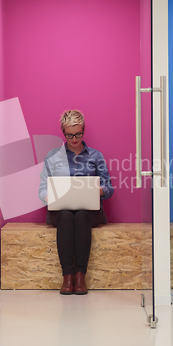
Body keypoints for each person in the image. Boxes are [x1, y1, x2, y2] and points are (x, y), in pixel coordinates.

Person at [39, 110, 114, 295]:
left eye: (78, 134)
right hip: (60, 210)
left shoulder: (95, 156)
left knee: (80, 216)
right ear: (62, 132)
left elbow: (109, 187)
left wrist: (97, 189)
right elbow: (42, 188)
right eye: (69, 135)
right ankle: (68, 276)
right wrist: (50, 197)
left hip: (89, 211)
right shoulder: (52, 156)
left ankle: (80, 276)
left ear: (84, 130)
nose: (74, 139)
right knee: (65, 217)